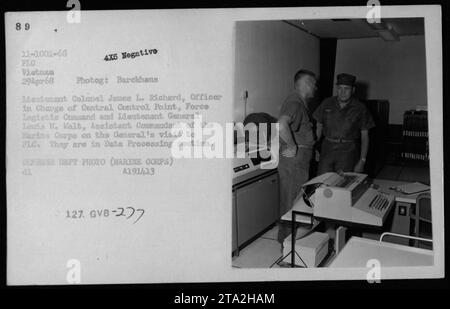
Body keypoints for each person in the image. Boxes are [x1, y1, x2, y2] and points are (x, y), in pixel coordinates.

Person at [277, 69, 317, 244]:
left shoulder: (298, 102)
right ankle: (286, 248)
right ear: (306, 84)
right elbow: (281, 124)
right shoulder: (295, 103)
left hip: (299, 161)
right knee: (291, 203)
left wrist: (309, 146)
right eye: (314, 84)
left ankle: (288, 242)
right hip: (294, 163)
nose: (315, 87)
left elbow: (298, 130)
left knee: (294, 200)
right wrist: (292, 146)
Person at [313, 73, 375, 175]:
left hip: (348, 152)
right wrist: (315, 147)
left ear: (353, 90)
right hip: (327, 150)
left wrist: (362, 160)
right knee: (322, 183)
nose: (342, 92)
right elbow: (319, 126)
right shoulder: (327, 103)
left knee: (342, 185)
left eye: (346, 89)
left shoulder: (360, 108)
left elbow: (365, 136)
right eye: (340, 88)